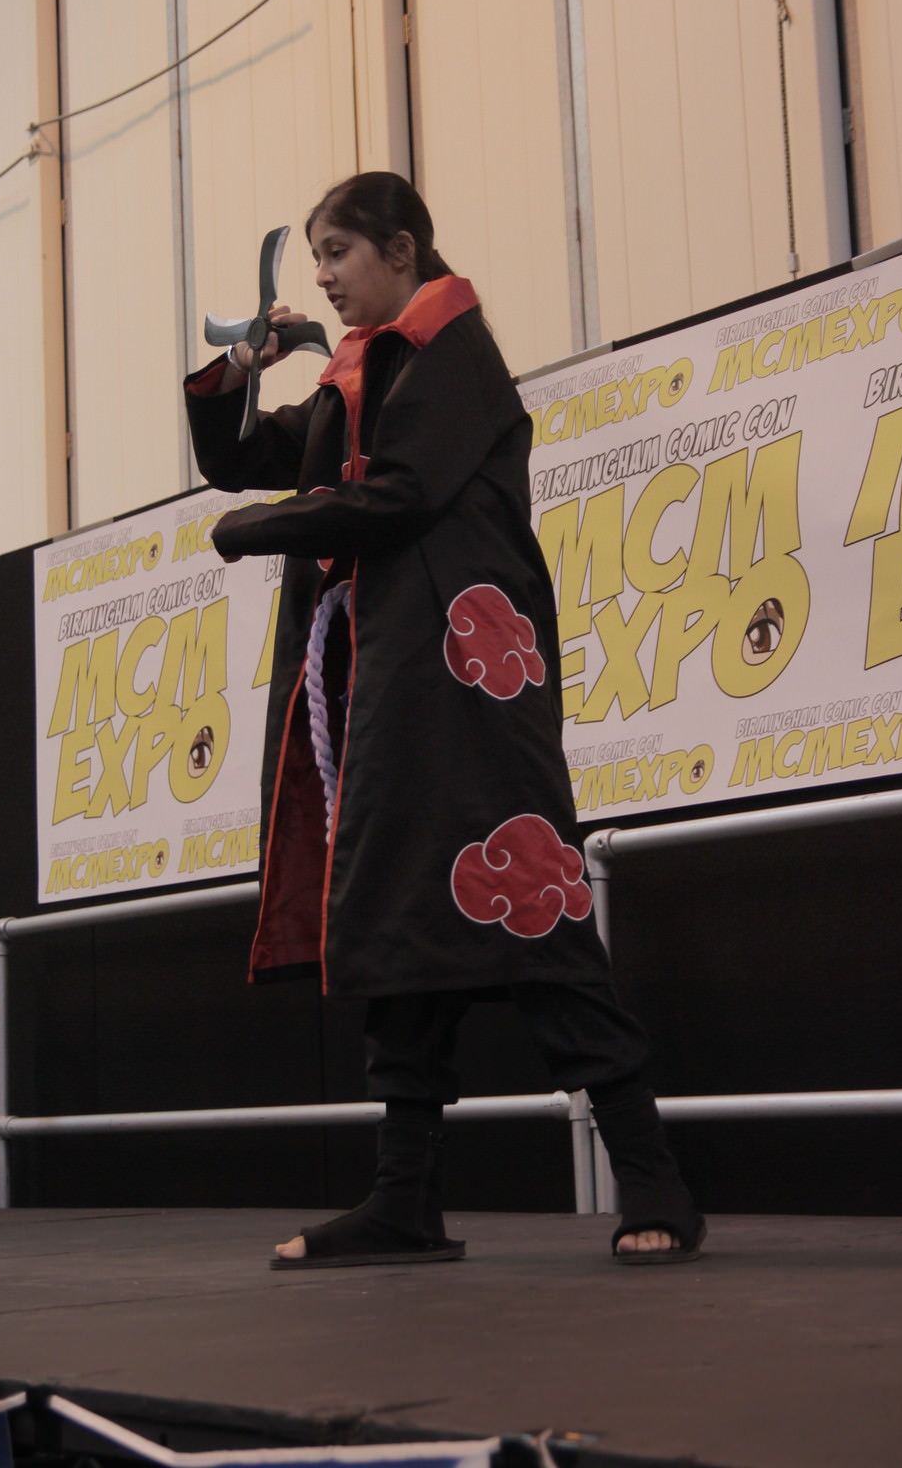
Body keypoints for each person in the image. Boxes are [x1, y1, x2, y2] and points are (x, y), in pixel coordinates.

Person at [184, 172, 704, 1269]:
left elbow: (405, 494)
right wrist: (242, 370)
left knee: (538, 913)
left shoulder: (453, 355)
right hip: (396, 688)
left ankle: (654, 1180)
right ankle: (404, 1201)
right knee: (398, 927)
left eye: (339, 252)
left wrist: (262, 531)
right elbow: (237, 457)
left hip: (468, 684)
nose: (324, 276)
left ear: (402, 251)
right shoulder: (359, 375)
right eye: (317, 257)